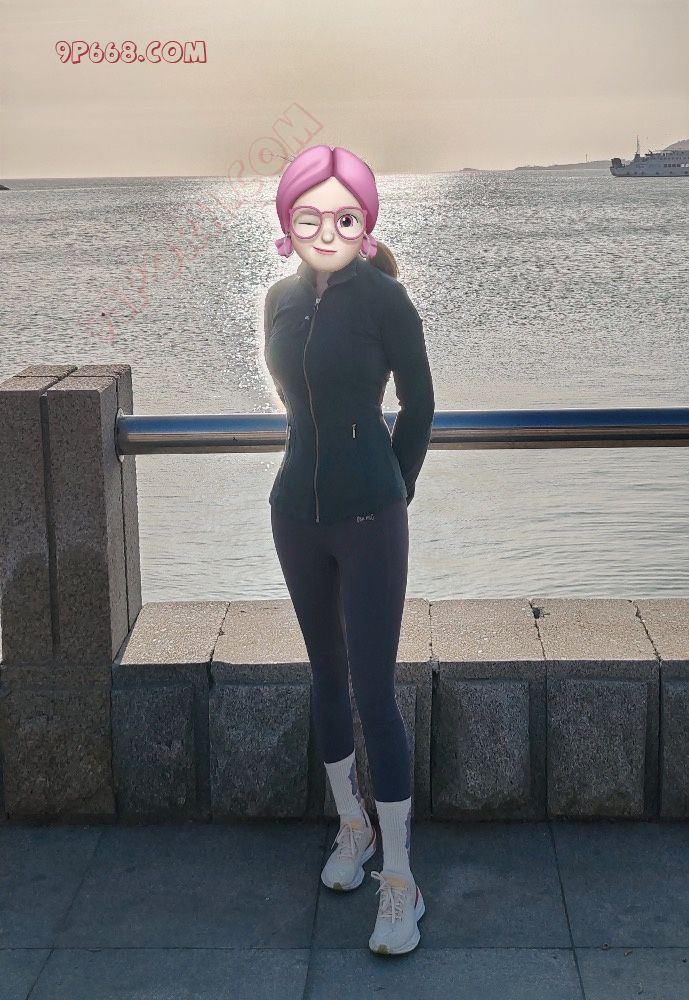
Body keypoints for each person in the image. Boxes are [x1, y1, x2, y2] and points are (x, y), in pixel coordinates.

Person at [263, 144, 435, 955]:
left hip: (369, 515)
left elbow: (420, 404)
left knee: (374, 690)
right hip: (293, 511)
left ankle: (399, 881)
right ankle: (352, 828)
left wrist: (391, 486)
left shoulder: (387, 300)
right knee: (326, 680)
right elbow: (296, 402)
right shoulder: (277, 300)